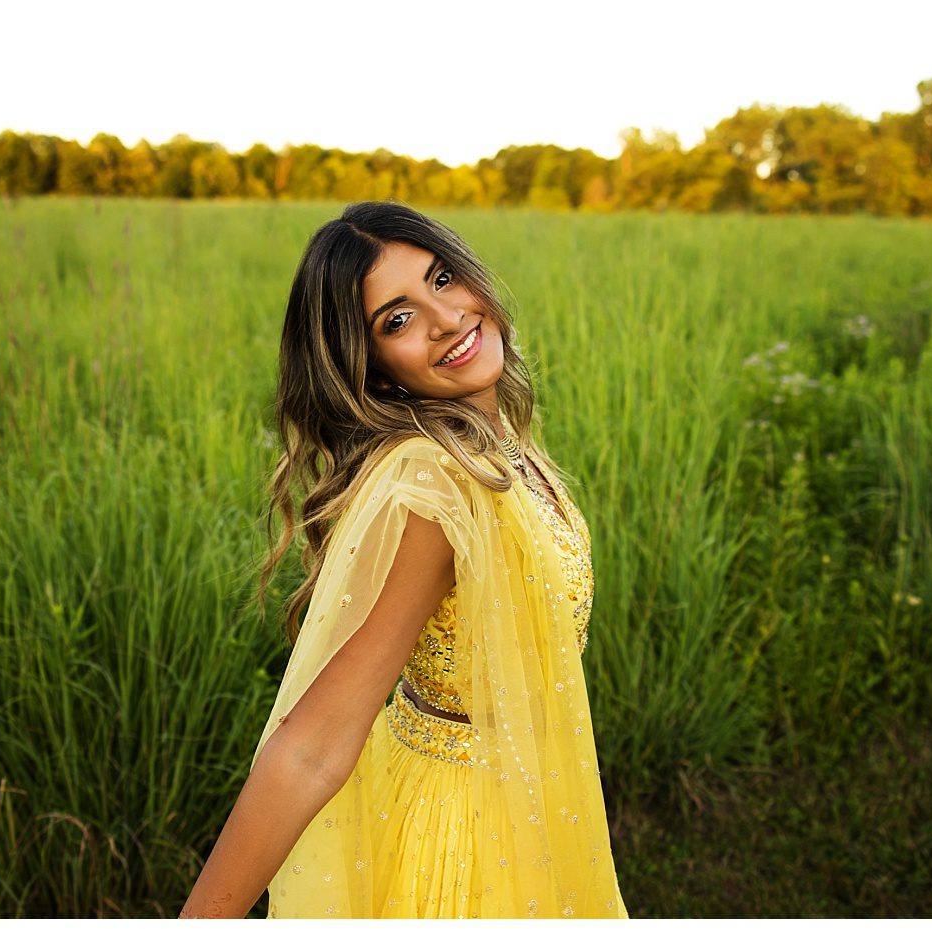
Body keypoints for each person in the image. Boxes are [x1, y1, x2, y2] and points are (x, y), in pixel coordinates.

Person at [180, 202, 626, 917]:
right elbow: (312, 748)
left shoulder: (493, 440)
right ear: (374, 371)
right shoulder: (435, 485)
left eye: (442, 278)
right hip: (465, 837)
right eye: (397, 318)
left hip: (527, 805)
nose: (446, 318)